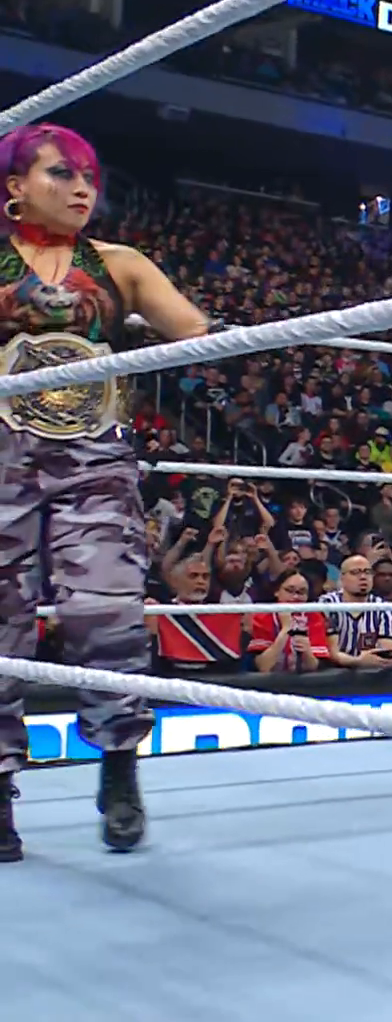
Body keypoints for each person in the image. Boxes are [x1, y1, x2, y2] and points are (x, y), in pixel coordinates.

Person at [0, 123, 217, 861]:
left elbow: (192, 328)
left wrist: (167, 329)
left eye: (90, 176)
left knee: (108, 612)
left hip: (93, 458)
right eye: (61, 173)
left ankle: (119, 769)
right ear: (16, 187)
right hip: (2, 456)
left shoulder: (119, 263)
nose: (82, 189)